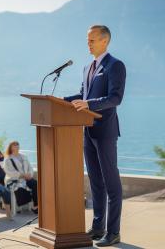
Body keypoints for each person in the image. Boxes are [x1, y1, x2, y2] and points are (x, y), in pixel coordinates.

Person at [64, 25, 126, 247]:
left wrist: (88, 103)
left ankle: (114, 231)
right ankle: (98, 227)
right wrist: (62, 101)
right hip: (87, 132)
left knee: (111, 183)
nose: (88, 44)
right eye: (87, 40)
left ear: (104, 41)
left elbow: (115, 98)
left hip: (105, 132)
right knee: (96, 182)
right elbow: (83, 95)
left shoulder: (115, 66)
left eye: (91, 40)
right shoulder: (87, 67)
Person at [3, 141, 38, 213]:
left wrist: (29, 174)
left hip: (26, 178)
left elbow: (30, 168)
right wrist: (21, 175)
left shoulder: (24, 156)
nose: (16, 146)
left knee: (35, 183)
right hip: (15, 179)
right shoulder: (8, 159)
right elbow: (9, 172)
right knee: (19, 187)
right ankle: (20, 206)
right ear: (11, 147)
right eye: (14, 145)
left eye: (17, 144)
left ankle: (36, 206)